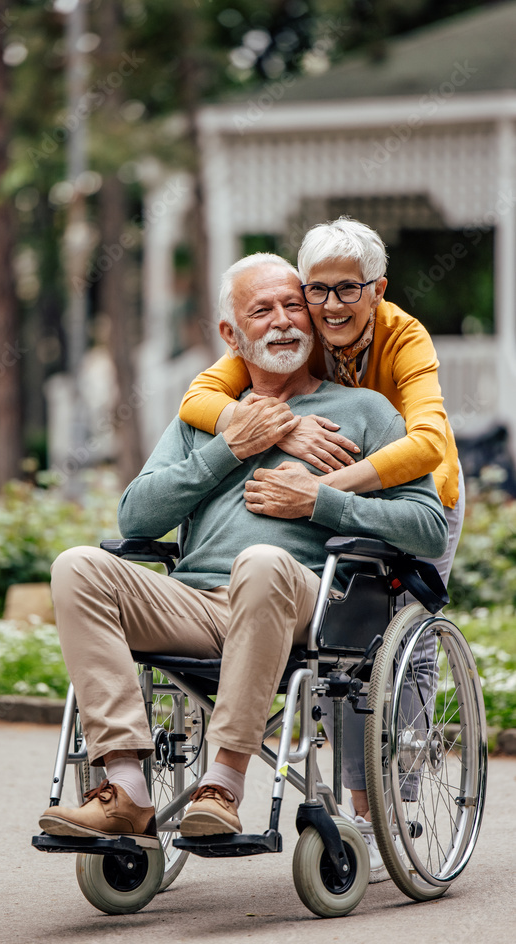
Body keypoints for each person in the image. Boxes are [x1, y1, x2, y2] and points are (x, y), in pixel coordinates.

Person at [38, 252, 447, 854]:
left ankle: (222, 785)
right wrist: (228, 449)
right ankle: (126, 791)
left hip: (304, 599)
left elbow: (428, 529)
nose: (283, 321)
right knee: (77, 566)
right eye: (262, 311)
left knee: (261, 562)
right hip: (196, 603)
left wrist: (321, 502)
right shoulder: (204, 419)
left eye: (292, 305)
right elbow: (135, 515)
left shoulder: (363, 411)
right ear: (231, 334)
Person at [179, 218, 464, 832]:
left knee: (396, 642)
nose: (330, 306)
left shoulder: (404, 337)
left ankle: (398, 798)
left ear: (377, 290)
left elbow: (430, 444)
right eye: (318, 289)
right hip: (318, 505)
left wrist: (323, 490)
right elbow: (198, 401)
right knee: (343, 641)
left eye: (348, 289)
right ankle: (360, 803)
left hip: (422, 495)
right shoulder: (295, 327)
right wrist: (287, 425)